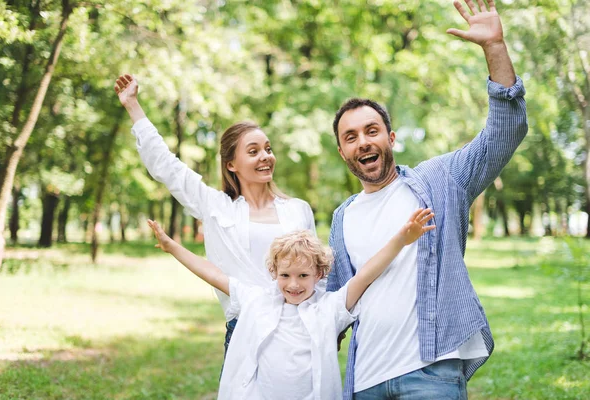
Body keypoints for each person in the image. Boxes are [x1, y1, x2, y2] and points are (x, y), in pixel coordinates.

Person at [326, 1, 528, 399]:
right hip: (365, 379)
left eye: (371, 130)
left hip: (430, 374)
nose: (363, 141)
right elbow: (334, 305)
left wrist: (495, 49)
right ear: (342, 152)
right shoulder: (342, 217)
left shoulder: (440, 179)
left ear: (391, 138)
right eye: (350, 137)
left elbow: (505, 133)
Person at [113, 75, 316, 357]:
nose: (265, 157)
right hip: (244, 329)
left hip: (297, 329)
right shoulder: (216, 206)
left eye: (268, 149)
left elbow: (319, 274)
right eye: (254, 151)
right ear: (231, 164)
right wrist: (133, 106)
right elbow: (167, 166)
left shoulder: (298, 209)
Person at [146, 207, 435, 399]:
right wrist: (172, 247)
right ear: (273, 272)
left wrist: (401, 239)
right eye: (285, 275)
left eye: (303, 275)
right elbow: (214, 274)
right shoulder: (258, 299)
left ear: (319, 273)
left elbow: (367, 274)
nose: (293, 284)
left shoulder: (330, 308)